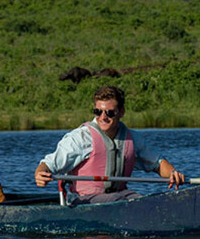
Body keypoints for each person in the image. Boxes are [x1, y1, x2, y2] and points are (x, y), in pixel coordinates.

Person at [34, 86, 185, 204]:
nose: (103, 117)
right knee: (131, 201)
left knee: (142, 200)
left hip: (120, 197)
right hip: (84, 201)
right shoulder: (80, 137)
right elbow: (48, 164)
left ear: (122, 112)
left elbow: (157, 163)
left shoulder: (132, 138)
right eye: (98, 112)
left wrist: (173, 173)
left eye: (110, 113)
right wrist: (40, 173)